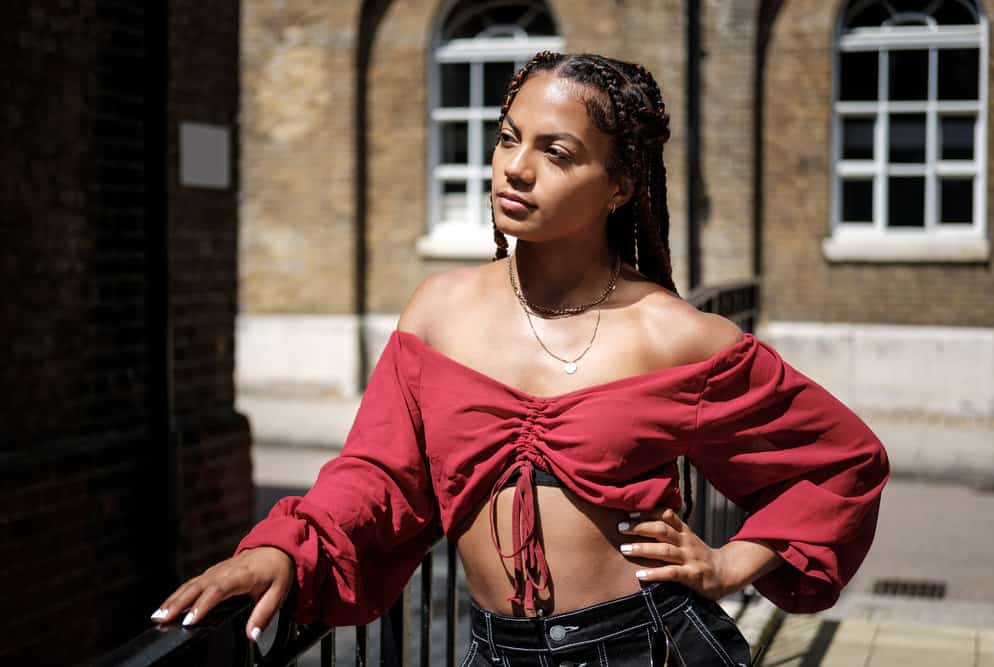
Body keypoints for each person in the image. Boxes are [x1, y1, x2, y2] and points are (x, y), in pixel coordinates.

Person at [150, 52, 889, 666]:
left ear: (621, 185)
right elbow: (380, 474)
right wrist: (290, 550)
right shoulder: (438, 311)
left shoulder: (674, 334)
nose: (516, 168)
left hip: (650, 645)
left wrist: (731, 562)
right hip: (493, 651)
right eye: (508, 138)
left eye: (555, 151)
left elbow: (840, 463)